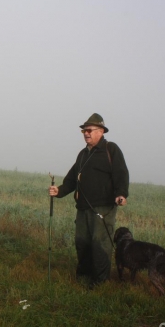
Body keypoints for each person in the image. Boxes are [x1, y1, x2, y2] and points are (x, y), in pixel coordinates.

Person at [49, 113, 129, 286]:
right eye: (83, 131)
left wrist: (121, 194)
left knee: (100, 244)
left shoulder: (111, 150)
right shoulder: (83, 154)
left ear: (101, 131)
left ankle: (100, 282)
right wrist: (59, 190)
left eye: (89, 130)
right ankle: (84, 276)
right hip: (83, 207)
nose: (85, 133)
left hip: (103, 208)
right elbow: (72, 178)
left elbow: (121, 173)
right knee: (82, 242)